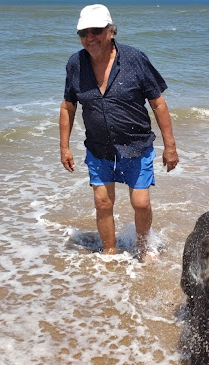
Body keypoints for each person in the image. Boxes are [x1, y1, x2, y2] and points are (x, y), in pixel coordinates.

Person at [59, 4, 179, 262]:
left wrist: (170, 147)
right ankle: (110, 253)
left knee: (141, 203)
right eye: (83, 33)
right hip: (99, 148)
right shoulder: (75, 64)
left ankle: (143, 247)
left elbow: (157, 102)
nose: (89, 38)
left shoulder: (134, 59)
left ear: (111, 31)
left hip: (136, 144)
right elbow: (68, 105)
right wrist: (64, 147)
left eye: (96, 31)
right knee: (103, 203)